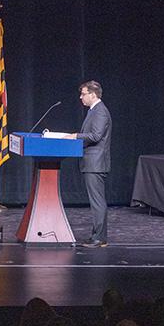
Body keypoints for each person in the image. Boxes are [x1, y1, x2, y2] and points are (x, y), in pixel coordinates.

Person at [65, 80, 112, 247]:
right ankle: (96, 236)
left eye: (83, 94)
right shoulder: (93, 111)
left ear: (93, 94)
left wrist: (75, 136)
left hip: (96, 163)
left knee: (97, 201)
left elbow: (95, 136)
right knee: (95, 201)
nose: (81, 97)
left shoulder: (100, 112)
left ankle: (100, 238)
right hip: (91, 162)